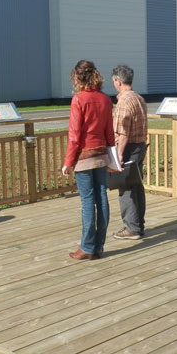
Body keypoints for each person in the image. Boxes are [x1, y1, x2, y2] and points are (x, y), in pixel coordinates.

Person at [61, 60, 115, 260]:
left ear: (77, 77)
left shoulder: (78, 100)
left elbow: (74, 135)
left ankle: (86, 247)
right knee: (101, 198)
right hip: (101, 154)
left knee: (87, 201)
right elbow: (109, 132)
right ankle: (98, 246)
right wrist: (112, 158)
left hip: (84, 157)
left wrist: (68, 162)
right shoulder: (105, 99)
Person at [110, 65, 148, 241]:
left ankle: (132, 228)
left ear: (118, 81)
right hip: (140, 146)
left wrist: (118, 154)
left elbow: (123, 133)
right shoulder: (138, 98)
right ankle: (138, 224)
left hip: (129, 148)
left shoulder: (124, 101)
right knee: (136, 186)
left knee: (126, 189)